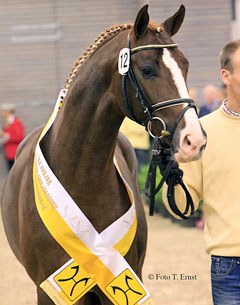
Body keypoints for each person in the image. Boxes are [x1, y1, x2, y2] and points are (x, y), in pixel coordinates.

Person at [162, 40, 240, 305]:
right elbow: (183, 207)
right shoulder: (201, 133)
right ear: (225, 76)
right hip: (230, 267)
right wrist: (174, 172)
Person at [0, 103, 25, 170]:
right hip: (9, 152)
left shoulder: (16, 122)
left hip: (14, 152)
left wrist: (4, 135)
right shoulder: (7, 122)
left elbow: (19, 137)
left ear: (7, 112)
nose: (1, 113)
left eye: (2, 111)